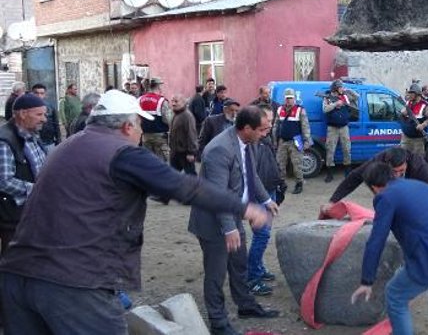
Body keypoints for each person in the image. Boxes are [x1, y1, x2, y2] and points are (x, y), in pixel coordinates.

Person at [0, 90, 268, 335]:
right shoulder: (122, 153)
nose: (141, 132)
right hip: (75, 283)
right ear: (127, 126)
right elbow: (184, 186)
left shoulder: (66, 147)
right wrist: (243, 208)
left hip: (18, 277)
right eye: (140, 125)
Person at [351, 162, 428, 335]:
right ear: (392, 174)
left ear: (374, 187)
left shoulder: (385, 196)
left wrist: (367, 280)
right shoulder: (419, 185)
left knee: (395, 295)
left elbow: (377, 240)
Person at [188, 106, 280, 335]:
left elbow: (252, 175)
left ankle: (246, 306)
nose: (266, 133)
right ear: (247, 128)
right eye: (262, 129)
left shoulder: (249, 142)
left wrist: (266, 199)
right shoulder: (219, 149)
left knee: (239, 265)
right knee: (216, 274)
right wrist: (229, 229)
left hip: (233, 216)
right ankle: (218, 323)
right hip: (214, 223)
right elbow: (218, 195)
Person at [321, 146, 428, 215]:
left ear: (406, 162)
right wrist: (333, 201)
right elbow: (354, 177)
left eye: (401, 171)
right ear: (386, 163)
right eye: (394, 172)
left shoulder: (420, 167)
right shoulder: (379, 159)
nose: (397, 175)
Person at [0, 94, 48, 253]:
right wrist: (36, 189)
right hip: (13, 217)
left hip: (32, 212)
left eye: (44, 114)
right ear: (22, 114)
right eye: (39, 114)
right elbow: (4, 180)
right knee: (13, 260)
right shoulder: (4, 140)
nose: (44, 119)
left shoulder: (32, 135)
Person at [248, 105, 286, 296]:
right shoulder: (252, 141)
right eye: (267, 121)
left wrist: (279, 183)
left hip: (269, 189)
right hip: (259, 194)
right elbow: (251, 173)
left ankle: (259, 268)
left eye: (272, 120)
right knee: (261, 235)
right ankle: (252, 276)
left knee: (262, 234)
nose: (270, 124)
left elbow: (271, 162)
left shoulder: (266, 137)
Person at [275, 88, 311, 195]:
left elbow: (305, 126)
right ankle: (281, 184)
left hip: (295, 141)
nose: (289, 100)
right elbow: (275, 126)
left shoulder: (300, 110)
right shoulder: (279, 109)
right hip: (282, 141)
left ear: (294, 98)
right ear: (284, 99)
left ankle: (299, 184)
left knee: (297, 165)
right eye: (287, 98)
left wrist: (306, 140)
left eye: (291, 98)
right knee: (280, 164)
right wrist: (274, 140)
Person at [322, 79, 353, 183]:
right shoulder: (327, 97)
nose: (342, 89)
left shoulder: (345, 96)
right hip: (332, 128)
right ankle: (330, 174)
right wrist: (335, 104)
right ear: (335, 88)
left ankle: (348, 172)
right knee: (330, 149)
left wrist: (343, 103)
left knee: (347, 149)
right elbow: (325, 109)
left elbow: (351, 107)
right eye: (340, 87)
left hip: (344, 127)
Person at [138, 77, 173, 162]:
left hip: (145, 136)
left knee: (148, 163)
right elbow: (168, 120)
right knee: (161, 164)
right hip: (160, 138)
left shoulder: (140, 99)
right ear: (158, 86)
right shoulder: (162, 101)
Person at [399, 83, 428, 158]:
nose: (409, 95)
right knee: (403, 158)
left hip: (417, 140)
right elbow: (403, 117)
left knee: (417, 160)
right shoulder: (408, 103)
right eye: (409, 93)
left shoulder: (425, 105)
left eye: (412, 93)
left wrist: (423, 125)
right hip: (406, 137)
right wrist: (403, 114)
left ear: (417, 94)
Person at [169, 94, 198, 175]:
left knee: (191, 175)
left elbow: (191, 135)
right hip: (175, 152)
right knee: (172, 175)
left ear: (183, 102)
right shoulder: (176, 114)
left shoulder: (187, 116)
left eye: (176, 101)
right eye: (172, 101)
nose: (173, 103)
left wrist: (191, 153)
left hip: (185, 153)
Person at [30, 84, 61, 150]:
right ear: (32, 94)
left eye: (41, 93)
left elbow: (56, 124)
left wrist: (58, 140)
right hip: (33, 143)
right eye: (36, 93)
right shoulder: (27, 108)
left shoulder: (50, 107)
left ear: (45, 94)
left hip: (49, 142)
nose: (39, 96)